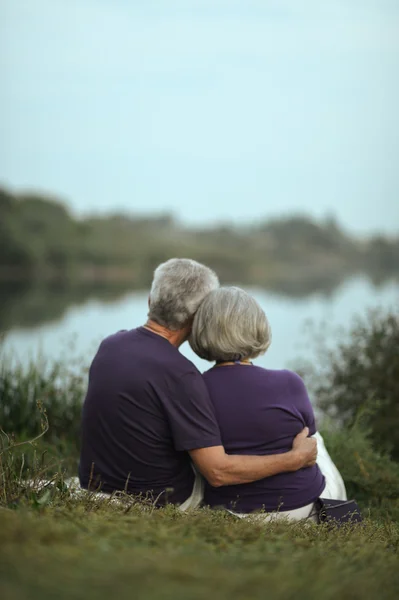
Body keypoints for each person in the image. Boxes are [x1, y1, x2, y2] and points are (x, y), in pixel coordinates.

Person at [79, 259, 317, 508]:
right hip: (159, 500)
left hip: (94, 487)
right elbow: (218, 472)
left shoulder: (110, 345)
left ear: (151, 300)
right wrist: (295, 459)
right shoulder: (181, 374)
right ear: (197, 319)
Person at [189, 286, 347, 521]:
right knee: (316, 441)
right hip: (302, 508)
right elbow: (307, 438)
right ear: (257, 327)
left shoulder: (195, 389)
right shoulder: (289, 382)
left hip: (232, 512)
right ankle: (339, 511)